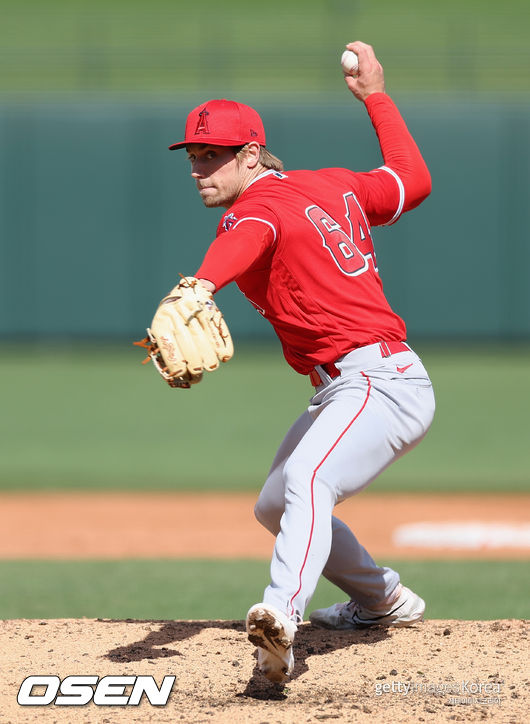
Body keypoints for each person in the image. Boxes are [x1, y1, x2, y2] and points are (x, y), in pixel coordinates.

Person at [168, 41, 435, 683]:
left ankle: (281, 616)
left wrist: (201, 286)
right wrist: (376, 95)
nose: (201, 167)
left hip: (378, 380)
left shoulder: (254, 207)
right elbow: (411, 181)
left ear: (252, 155)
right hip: (349, 385)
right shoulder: (333, 186)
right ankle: (384, 601)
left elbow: (246, 241)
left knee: (308, 480)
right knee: (274, 505)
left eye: (216, 155)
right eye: (196, 155)